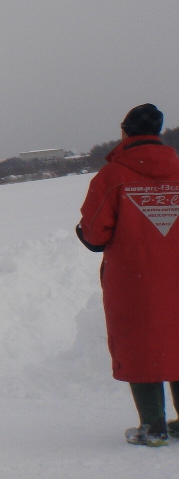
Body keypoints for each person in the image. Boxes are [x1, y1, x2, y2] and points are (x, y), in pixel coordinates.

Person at [76, 103, 179, 446]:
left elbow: (94, 233)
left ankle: (153, 426)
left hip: (136, 282)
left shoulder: (112, 177)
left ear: (125, 131)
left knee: (141, 345)